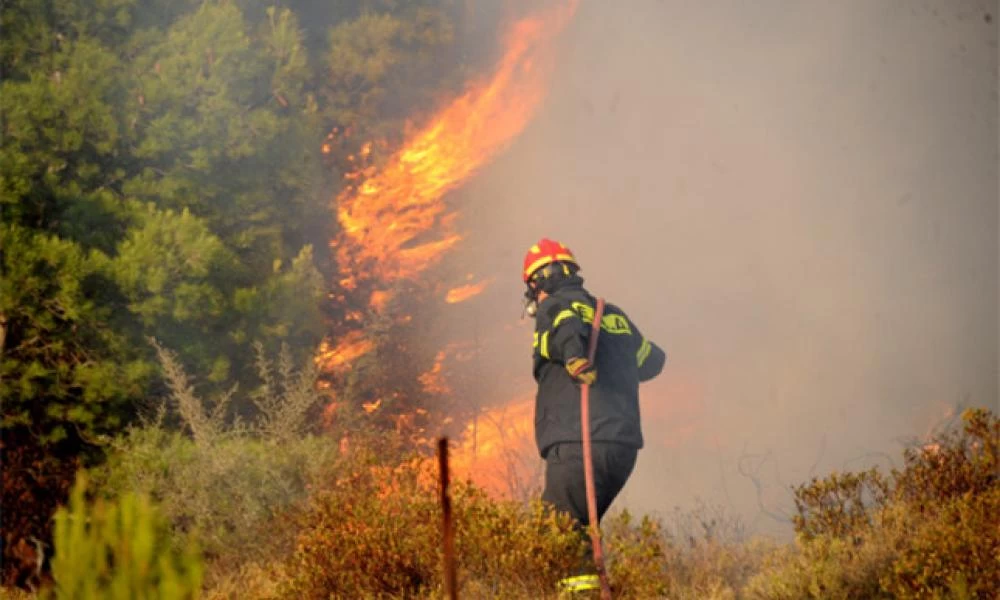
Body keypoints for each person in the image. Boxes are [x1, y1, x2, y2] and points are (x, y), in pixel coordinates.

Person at [522, 238, 666, 595]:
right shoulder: (613, 314)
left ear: (538, 282)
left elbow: (567, 326)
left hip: (579, 439)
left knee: (559, 528)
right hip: (621, 446)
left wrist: (575, 358)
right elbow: (651, 360)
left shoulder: (554, 305)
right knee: (578, 527)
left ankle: (581, 594)